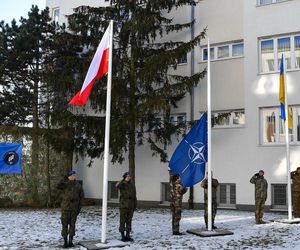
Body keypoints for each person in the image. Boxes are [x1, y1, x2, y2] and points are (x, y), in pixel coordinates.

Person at [57, 170, 84, 248]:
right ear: (68, 176)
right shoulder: (65, 184)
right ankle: (65, 242)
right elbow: (58, 186)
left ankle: (70, 241)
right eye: (71, 175)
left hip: (74, 209)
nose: (72, 177)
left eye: (73, 175)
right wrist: (64, 179)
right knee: (64, 225)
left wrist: (79, 208)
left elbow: (81, 197)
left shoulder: (78, 185)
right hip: (65, 209)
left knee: (72, 226)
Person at [116, 171, 137, 242]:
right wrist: (123, 180)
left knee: (129, 221)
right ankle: (122, 236)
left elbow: (134, 196)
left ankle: (128, 235)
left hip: (131, 205)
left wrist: (135, 205)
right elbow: (117, 186)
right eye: (127, 176)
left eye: (129, 176)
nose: (129, 178)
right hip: (123, 205)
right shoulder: (122, 184)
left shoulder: (132, 185)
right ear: (125, 177)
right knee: (122, 221)